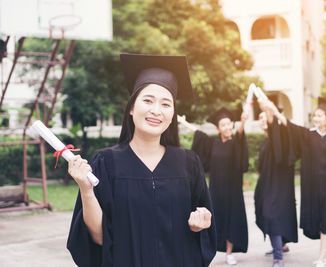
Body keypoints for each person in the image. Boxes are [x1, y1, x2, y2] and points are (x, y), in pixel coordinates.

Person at [66, 54, 217, 267]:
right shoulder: (106, 163)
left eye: (166, 104)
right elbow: (99, 238)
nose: (156, 110)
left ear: (173, 114)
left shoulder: (188, 164)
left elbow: (204, 231)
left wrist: (200, 223)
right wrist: (86, 189)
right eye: (147, 100)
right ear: (131, 108)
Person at [259, 97, 326, 267]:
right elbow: (289, 126)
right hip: (314, 187)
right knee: (322, 220)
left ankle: (322, 258)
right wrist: (274, 111)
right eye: (315, 115)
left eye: (320, 115)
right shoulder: (309, 135)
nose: (316, 118)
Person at [179, 107, 249, 265]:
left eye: (229, 124)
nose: (227, 127)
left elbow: (240, 134)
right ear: (218, 128)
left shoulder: (236, 143)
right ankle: (210, 250)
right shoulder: (213, 144)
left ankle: (229, 253)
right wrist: (184, 122)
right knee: (215, 220)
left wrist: (243, 121)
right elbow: (200, 135)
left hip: (233, 190)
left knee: (232, 219)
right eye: (223, 125)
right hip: (216, 190)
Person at [254, 111, 298, 267]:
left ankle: (278, 258)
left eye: (265, 117)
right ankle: (282, 245)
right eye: (260, 117)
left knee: (272, 216)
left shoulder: (279, 138)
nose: (263, 120)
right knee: (267, 214)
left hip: (279, 186)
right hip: (266, 185)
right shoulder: (265, 141)